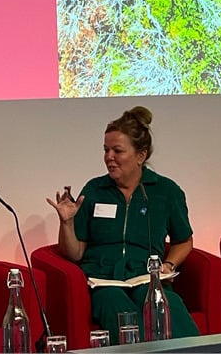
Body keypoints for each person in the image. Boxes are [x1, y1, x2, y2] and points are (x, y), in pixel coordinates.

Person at [46, 106, 200, 342]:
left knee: (169, 307)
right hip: (103, 280)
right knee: (121, 312)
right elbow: (75, 253)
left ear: (141, 155)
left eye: (117, 151)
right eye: (106, 150)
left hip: (146, 276)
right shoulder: (95, 190)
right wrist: (66, 222)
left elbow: (184, 240)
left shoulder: (166, 192)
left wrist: (169, 264)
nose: (109, 157)